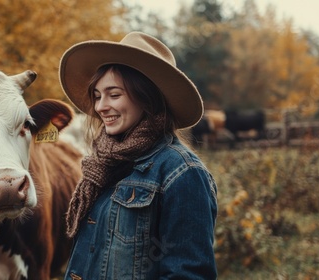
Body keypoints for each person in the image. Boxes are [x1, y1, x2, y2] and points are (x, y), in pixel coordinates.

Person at [58, 31, 218, 279]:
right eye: (98, 96)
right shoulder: (104, 166)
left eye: (114, 94)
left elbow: (187, 274)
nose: (100, 107)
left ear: (147, 97)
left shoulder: (182, 172)